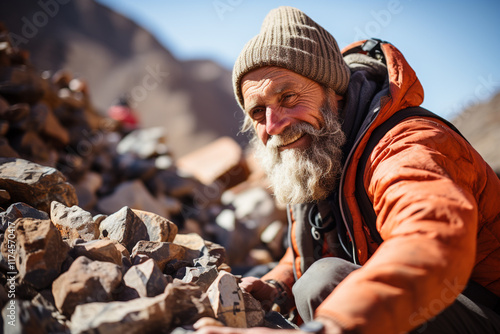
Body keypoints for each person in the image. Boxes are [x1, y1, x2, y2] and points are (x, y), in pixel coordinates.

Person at [196, 6, 500, 334]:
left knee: (323, 283)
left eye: (288, 97)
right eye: (258, 112)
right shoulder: (322, 151)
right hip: (415, 304)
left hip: (482, 309)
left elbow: (430, 240)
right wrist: (278, 287)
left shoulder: (405, 146)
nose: (274, 125)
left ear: (334, 91)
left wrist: (332, 326)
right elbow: (323, 238)